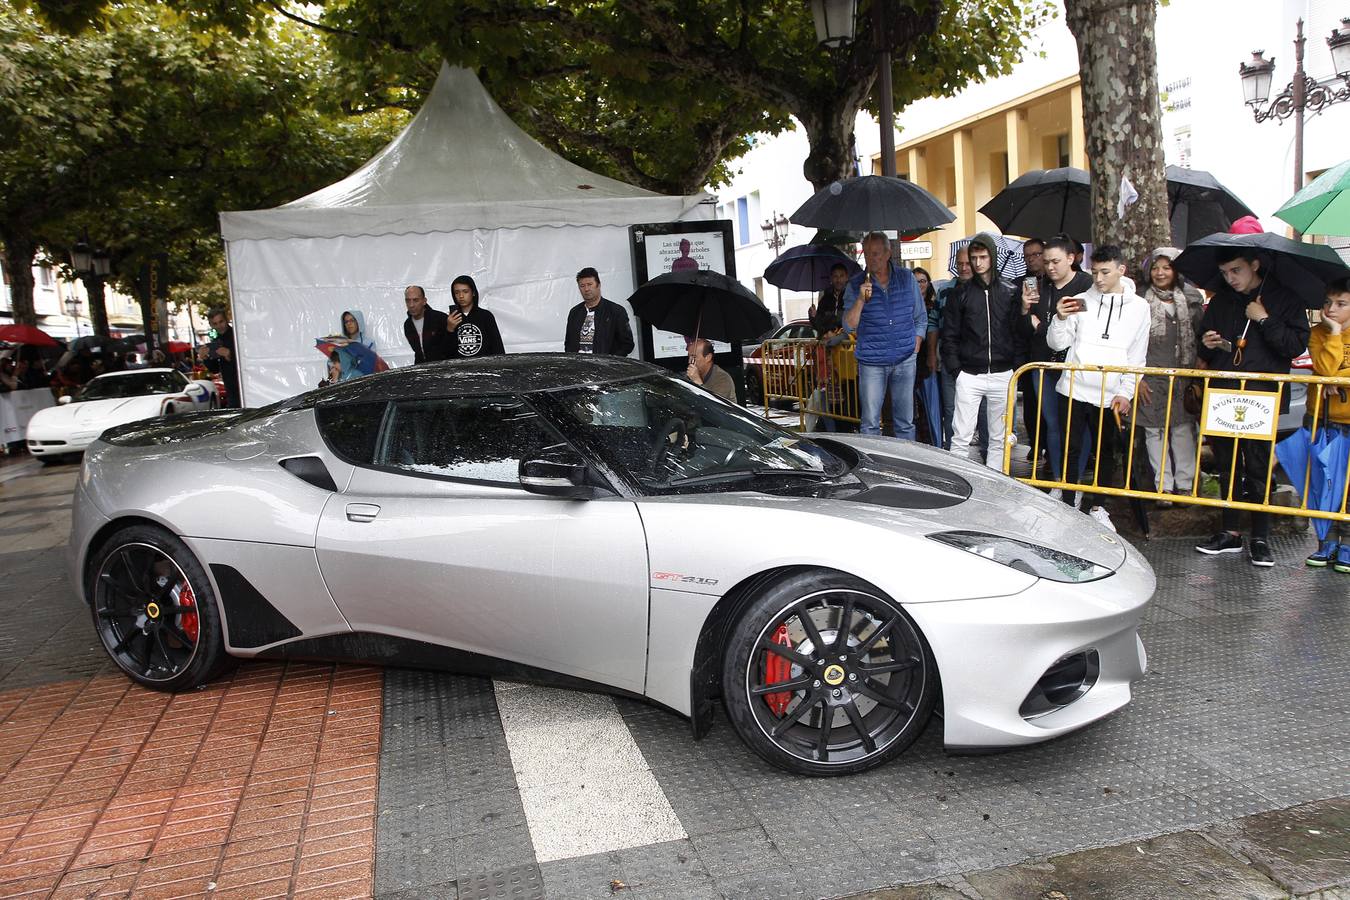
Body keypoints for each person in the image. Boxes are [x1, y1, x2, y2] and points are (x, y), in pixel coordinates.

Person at [1195, 248, 1310, 566]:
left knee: (1259, 466)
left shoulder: (1285, 298)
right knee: (1226, 464)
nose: (1230, 278)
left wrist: (1265, 319)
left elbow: (1294, 345)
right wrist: (1207, 341)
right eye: (1225, 272)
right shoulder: (1221, 300)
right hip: (1224, 392)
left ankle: (1260, 536)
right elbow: (1203, 333)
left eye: (1236, 270)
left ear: (1254, 265)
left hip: (1263, 394)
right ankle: (1229, 532)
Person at [1047, 244, 1150, 532]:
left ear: (1121, 270)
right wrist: (1060, 318)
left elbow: (1137, 355)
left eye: (1105, 272)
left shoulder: (1140, 308)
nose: (1099, 278)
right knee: (1071, 447)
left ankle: (1099, 506)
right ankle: (1068, 501)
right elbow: (1057, 344)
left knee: (1105, 451)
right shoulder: (1080, 300)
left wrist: (1125, 392)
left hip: (1110, 391)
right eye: (1095, 272)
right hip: (1074, 387)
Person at [940, 232, 1031, 467]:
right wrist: (957, 371)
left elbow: (1018, 333)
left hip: (1003, 373)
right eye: (974, 257)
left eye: (982, 256)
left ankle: (994, 489)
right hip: (969, 374)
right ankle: (960, 484)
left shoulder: (1010, 291)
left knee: (1000, 438)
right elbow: (949, 335)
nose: (977, 262)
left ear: (992, 257)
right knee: (960, 437)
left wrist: (1015, 366)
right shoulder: (960, 294)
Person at [843, 232, 926, 440]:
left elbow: (920, 317)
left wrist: (917, 342)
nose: (872, 259)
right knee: (870, 423)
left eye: (877, 254)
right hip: (871, 362)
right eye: (868, 254)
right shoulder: (855, 284)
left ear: (888, 253)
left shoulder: (906, 278)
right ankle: (871, 468)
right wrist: (861, 300)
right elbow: (848, 326)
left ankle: (907, 465)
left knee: (905, 422)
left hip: (905, 358)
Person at [1137, 248, 1204, 500]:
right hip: (1151, 376)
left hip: (1182, 377)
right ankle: (1163, 486)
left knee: (1183, 429)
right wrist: (1138, 377)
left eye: (1166, 267)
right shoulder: (1140, 300)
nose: (1160, 273)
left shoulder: (1190, 299)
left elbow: (1199, 336)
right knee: (1154, 431)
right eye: (1155, 267)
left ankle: (1185, 485)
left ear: (1176, 270)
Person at [1027, 237, 1094, 482]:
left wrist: (1042, 326)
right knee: (1052, 423)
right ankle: (1058, 479)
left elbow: (1080, 328)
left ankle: (1073, 479)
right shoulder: (1037, 285)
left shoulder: (1087, 284)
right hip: (1043, 365)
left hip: (1076, 365)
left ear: (1071, 258)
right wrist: (1025, 310)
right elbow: (1026, 324)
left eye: (1055, 261)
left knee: (1078, 425)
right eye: (1046, 262)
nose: (1050, 267)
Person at [1305, 278, 1350, 571]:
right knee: (1324, 483)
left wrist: (1337, 378)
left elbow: (1332, 373)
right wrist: (1334, 333)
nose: (1331, 309)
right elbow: (1324, 369)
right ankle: (1326, 541)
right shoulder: (1318, 333)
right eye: (1327, 303)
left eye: (1341, 304)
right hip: (1322, 419)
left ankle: (1347, 543)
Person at [937, 246, 976, 449]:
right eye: (959, 263)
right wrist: (932, 355)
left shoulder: (985, 291)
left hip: (977, 362)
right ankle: (952, 458)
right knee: (951, 411)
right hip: (950, 359)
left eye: (967, 263)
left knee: (984, 413)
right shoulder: (944, 290)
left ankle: (986, 462)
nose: (963, 268)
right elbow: (934, 323)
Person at [565, 267, 635, 356]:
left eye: (590, 284)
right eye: (582, 286)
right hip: (579, 368)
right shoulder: (574, 313)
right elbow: (568, 343)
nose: (586, 289)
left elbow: (627, 344)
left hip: (606, 367)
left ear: (598, 285)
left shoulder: (616, 311)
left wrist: (611, 361)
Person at [447, 276, 506, 358]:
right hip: (459, 369)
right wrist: (449, 330)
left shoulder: (486, 316)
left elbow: (497, 347)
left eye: (465, 291)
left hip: (484, 367)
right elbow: (445, 353)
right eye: (457, 292)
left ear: (473, 292)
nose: (461, 296)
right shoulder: (450, 319)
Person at [199, 308, 239, 408]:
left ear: (226, 319)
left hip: (246, 385)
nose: (219, 326)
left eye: (221, 321)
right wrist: (205, 357)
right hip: (230, 388)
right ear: (211, 325)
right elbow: (214, 369)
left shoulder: (238, 335)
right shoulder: (215, 342)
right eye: (215, 323)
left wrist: (230, 354)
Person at [325, 310, 380, 381]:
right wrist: (333, 367)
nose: (349, 324)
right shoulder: (340, 342)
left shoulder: (369, 343)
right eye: (346, 322)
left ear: (358, 322)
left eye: (352, 320)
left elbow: (372, 364)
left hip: (363, 381)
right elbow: (331, 362)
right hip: (343, 383)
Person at [403, 285, 451, 364]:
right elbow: (418, 352)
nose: (411, 305)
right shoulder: (407, 325)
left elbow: (451, 345)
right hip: (421, 369)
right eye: (408, 300)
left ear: (424, 301)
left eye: (415, 300)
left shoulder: (440, 319)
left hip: (443, 368)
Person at [685, 338, 736, 402]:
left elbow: (713, 406)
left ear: (708, 357)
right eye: (689, 356)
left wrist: (697, 381)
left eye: (694, 357)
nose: (689, 361)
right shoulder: (689, 376)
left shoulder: (723, 379)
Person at [810, 263, 850, 334]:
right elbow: (819, 327)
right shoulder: (825, 300)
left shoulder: (852, 298)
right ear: (831, 278)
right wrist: (813, 317)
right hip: (828, 343)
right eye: (835, 276)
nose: (838, 280)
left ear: (847, 277)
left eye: (841, 276)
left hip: (848, 343)